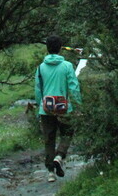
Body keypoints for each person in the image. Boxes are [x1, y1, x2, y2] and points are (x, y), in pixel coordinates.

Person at [34, 35, 82, 182]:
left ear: (47, 48)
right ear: (61, 48)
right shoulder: (67, 66)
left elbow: (38, 89)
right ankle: (59, 156)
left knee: (49, 139)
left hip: (46, 108)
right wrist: (78, 105)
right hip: (64, 107)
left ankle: (50, 172)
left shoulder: (41, 68)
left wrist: (39, 106)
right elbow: (73, 87)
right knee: (67, 133)